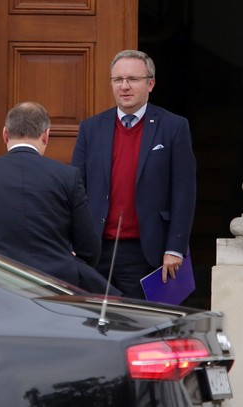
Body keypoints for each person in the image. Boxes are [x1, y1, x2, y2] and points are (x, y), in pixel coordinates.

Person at [0, 102, 119, 295]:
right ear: (46, 136)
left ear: (5, 134)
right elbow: (90, 248)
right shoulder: (67, 176)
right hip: (58, 288)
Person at [71, 50, 197, 300]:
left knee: (138, 325)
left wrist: (175, 247)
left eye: (132, 79)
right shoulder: (91, 128)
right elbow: (75, 189)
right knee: (91, 323)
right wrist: (72, 243)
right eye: (118, 80)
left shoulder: (174, 127)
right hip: (95, 251)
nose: (124, 86)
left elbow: (184, 191)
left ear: (150, 83)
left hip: (145, 252)